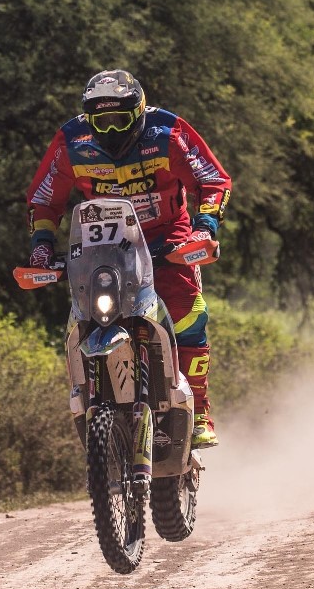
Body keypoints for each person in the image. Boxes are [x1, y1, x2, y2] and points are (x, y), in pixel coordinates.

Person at [25, 69, 232, 448]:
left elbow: (211, 180)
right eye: (101, 120)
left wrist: (205, 228)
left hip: (167, 236)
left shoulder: (167, 131)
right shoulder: (71, 141)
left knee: (188, 315)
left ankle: (199, 410)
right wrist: (41, 246)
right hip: (103, 242)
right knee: (86, 315)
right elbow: (44, 198)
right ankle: (93, 401)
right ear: (88, 119)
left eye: (120, 118)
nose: (111, 128)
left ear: (138, 112)